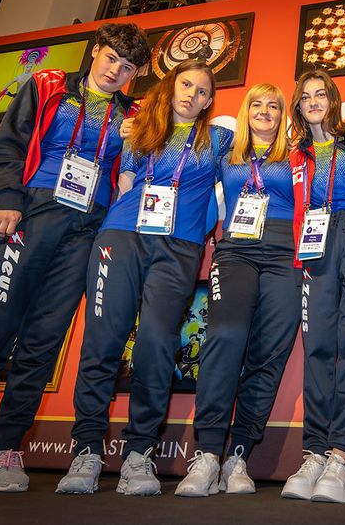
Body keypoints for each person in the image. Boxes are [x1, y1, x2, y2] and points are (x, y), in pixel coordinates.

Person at [0, 23, 148, 493]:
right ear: (95, 52)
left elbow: (139, 171)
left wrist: (137, 138)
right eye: (110, 59)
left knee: (44, 341)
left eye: (127, 68)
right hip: (31, 213)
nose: (115, 71)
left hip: (88, 227)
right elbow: (8, 144)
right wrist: (8, 198)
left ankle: (7, 450)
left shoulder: (135, 113)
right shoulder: (47, 85)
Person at [56, 60, 231, 496]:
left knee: (156, 343)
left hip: (178, 248)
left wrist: (206, 225)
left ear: (210, 101)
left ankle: (139, 454)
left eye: (202, 90)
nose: (192, 94)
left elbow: (246, 177)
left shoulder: (220, 140)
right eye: (185, 84)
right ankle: (87, 450)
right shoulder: (140, 130)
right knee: (104, 341)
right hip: (122, 236)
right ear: (171, 86)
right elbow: (125, 184)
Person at [175, 83, 301, 497]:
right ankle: (208, 453)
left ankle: (239, 455)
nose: (265, 111)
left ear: (284, 114)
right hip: (236, 251)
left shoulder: (296, 152)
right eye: (257, 104)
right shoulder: (224, 148)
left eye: (274, 105)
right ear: (245, 111)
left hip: (286, 254)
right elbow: (176, 139)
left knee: (270, 353)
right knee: (225, 337)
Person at [280, 69, 345, 504]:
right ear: (299, 105)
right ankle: (314, 452)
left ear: (333, 100)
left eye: (322, 94)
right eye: (306, 96)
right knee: (318, 344)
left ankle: (342, 456)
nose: (314, 101)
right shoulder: (298, 152)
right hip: (318, 240)